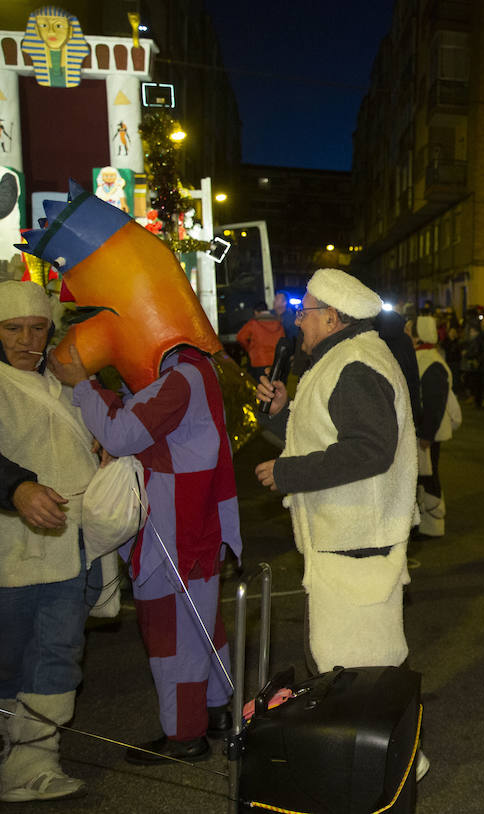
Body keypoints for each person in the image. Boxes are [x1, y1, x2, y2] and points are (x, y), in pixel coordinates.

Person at [32, 187, 242, 766]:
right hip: (193, 527)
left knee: (170, 631)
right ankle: (220, 710)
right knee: (201, 623)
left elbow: (126, 434)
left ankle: (184, 736)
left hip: (175, 532)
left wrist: (81, 387)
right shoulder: (192, 370)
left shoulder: (179, 377)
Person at [253, 268, 417, 676]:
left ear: (331, 317)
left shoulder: (356, 364)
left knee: (355, 672)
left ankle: (372, 741)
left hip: (358, 545)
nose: (297, 319)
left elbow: (369, 450)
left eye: (303, 311)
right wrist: (281, 415)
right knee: (343, 666)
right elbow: (327, 434)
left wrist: (288, 473)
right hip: (349, 540)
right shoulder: (343, 358)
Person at [0, 281, 98, 802]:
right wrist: (15, 487)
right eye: (12, 328)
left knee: (57, 653)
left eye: (37, 328)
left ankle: (36, 763)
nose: (27, 340)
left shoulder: (62, 383)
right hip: (8, 553)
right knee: (8, 658)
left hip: (69, 549)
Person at [413, 314, 453, 538]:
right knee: (423, 476)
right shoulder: (429, 358)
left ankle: (433, 524)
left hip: (430, 432)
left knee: (429, 477)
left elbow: (433, 402)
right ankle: (426, 521)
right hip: (428, 430)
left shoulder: (430, 361)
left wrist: (427, 433)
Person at [236, 299, 286, 381]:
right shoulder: (278, 323)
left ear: (256, 311)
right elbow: (283, 341)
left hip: (258, 361)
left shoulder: (253, 323)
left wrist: (249, 348)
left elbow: (240, 337)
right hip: (275, 362)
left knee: (259, 388)